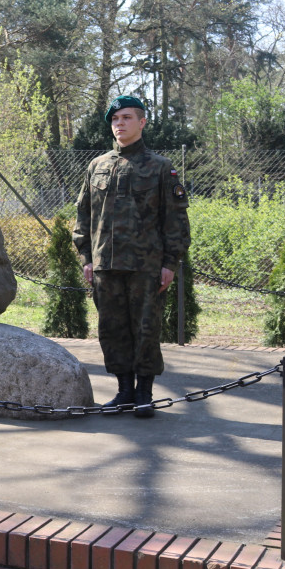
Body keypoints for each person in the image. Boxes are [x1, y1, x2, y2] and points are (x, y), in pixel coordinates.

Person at [73, 95, 190, 418]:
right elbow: (84, 215)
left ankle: (144, 393)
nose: (119, 124)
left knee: (146, 330)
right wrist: (86, 257)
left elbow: (176, 221)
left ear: (142, 122)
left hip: (146, 267)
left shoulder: (160, 167)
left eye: (126, 118)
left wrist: (170, 264)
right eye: (115, 119)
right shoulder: (97, 166)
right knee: (112, 330)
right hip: (105, 266)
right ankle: (124, 390)